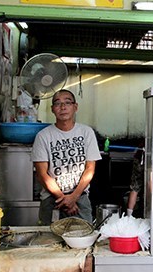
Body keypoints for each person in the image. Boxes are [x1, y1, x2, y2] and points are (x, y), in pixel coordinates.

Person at [32, 89, 101, 225]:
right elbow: (42, 174)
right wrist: (64, 199)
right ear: (52, 109)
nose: (63, 107)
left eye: (67, 103)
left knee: (83, 240)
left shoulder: (86, 133)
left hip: (80, 197)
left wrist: (73, 198)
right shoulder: (43, 136)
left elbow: (90, 169)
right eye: (58, 104)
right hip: (52, 200)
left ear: (75, 107)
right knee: (49, 242)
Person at [127, 144, 144, 217]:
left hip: (139, 158)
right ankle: (151, 215)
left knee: (135, 188)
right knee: (151, 186)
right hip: (146, 159)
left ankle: (128, 216)